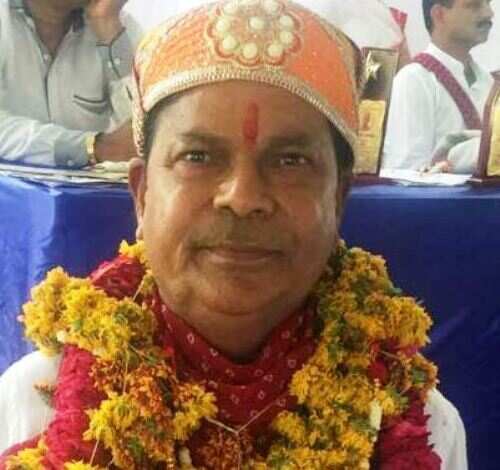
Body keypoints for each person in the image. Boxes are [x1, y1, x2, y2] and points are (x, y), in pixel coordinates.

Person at [0, 1, 467, 468]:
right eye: (198, 157)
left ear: (338, 199)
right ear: (142, 194)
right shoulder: (36, 403)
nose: (243, 197)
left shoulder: (412, 421)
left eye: (290, 161)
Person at [0, 0, 136, 168]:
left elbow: (145, 135)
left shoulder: (116, 25)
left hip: (92, 184)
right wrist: (93, 147)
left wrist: (107, 26)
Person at [382, 0, 494, 173]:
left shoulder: (490, 82)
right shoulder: (414, 80)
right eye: (474, 5)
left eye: (488, 3)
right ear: (439, 14)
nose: (489, 14)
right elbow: (406, 174)